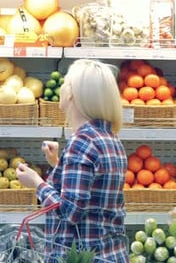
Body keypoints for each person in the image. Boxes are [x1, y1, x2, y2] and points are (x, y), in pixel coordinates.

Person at [16, 59, 129, 262]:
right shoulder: (110, 138)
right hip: (109, 253)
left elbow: (70, 212)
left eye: (65, 83)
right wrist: (58, 164)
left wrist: (37, 183)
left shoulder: (82, 142)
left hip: (82, 257)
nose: (61, 89)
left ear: (71, 93)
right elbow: (93, 193)